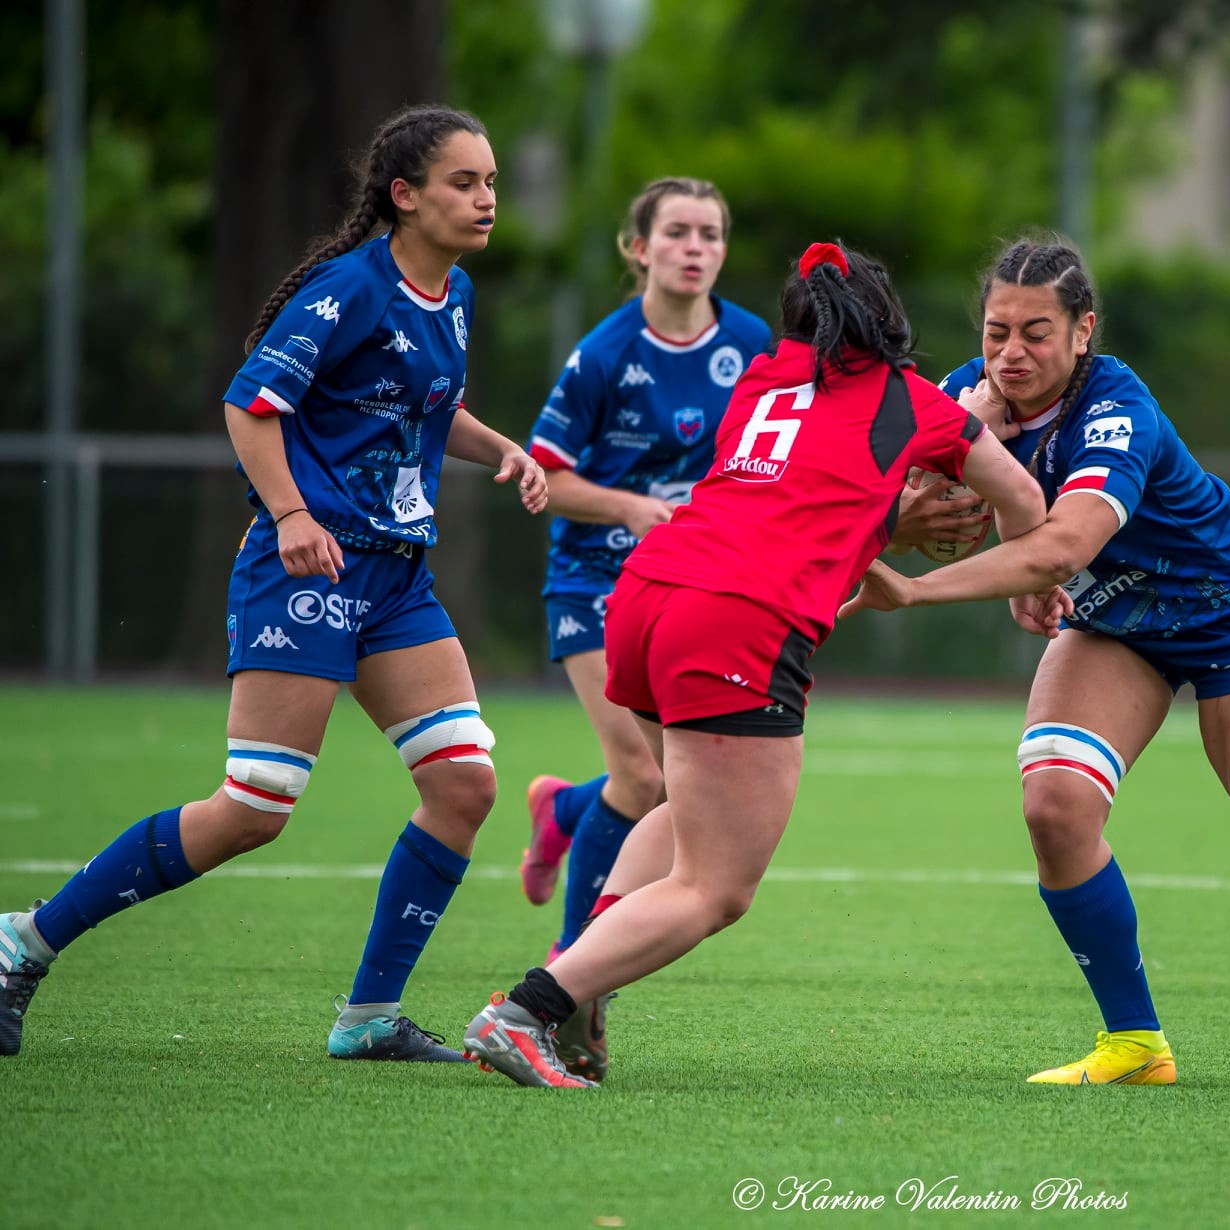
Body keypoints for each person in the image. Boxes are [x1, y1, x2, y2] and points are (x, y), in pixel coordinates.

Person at [0, 105, 548, 1063]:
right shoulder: (349, 289)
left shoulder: (452, 292)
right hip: (310, 567)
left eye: (492, 182)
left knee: (463, 786)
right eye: (464, 182)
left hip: (394, 578)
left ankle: (367, 1019)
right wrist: (292, 515)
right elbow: (251, 405)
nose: (486, 198)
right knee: (256, 805)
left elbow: (429, 405)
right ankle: (23, 941)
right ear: (404, 195)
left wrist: (500, 446)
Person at [840, 237, 1230, 1083]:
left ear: (1083, 330)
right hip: (1115, 624)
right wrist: (935, 488)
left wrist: (918, 590)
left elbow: (1065, 545)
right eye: (996, 332)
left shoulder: (1117, 408)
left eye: (1036, 333)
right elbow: (894, 509)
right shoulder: (961, 398)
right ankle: (1135, 1043)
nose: (1011, 354)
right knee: (1054, 808)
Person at [458, 241, 1062, 1088]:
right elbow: (1024, 499)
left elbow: (808, 491)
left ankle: (583, 995)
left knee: (681, 813)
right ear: (887, 322)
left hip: (647, 595)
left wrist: (902, 499)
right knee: (716, 889)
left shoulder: (762, 380)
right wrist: (1025, 575)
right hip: (733, 622)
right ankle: (526, 1012)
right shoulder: (910, 399)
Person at [516, 178, 771, 1079]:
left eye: (710, 234)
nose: (694, 248)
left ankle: (565, 812)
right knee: (644, 775)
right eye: (677, 233)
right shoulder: (604, 353)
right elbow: (544, 474)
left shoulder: (752, 344)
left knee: (669, 784)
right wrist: (629, 506)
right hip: (594, 579)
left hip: (697, 588)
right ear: (639, 248)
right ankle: (569, 976)